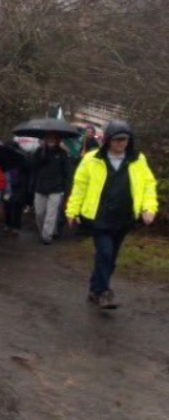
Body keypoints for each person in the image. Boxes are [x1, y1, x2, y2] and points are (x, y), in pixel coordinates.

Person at [66, 121, 158, 309]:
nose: (120, 143)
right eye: (116, 140)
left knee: (110, 256)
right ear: (108, 140)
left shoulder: (137, 159)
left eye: (124, 139)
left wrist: (149, 208)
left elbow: (148, 185)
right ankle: (103, 292)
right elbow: (80, 186)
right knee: (105, 253)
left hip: (124, 217)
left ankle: (94, 289)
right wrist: (72, 210)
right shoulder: (92, 158)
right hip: (99, 216)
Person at [30, 132, 72, 245]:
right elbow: (32, 166)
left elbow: (68, 172)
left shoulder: (63, 153)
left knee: (51, 213)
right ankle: (46, 231)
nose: (51, 140)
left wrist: (67, 188)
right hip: (40, 187)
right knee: (39, 213)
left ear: (57, 140)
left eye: (53, 138)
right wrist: (41, 156)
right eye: (49, 138)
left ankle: (46, 236)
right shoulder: (39, 152)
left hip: (56, 189)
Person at [3, 141, 31, 234]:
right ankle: (8, 224)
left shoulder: (22, 158)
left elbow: (27, 171)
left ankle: (15, 226)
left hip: (18, 186)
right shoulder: (4, 159)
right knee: (7, 206)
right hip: (7, 185)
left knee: (16, 207)